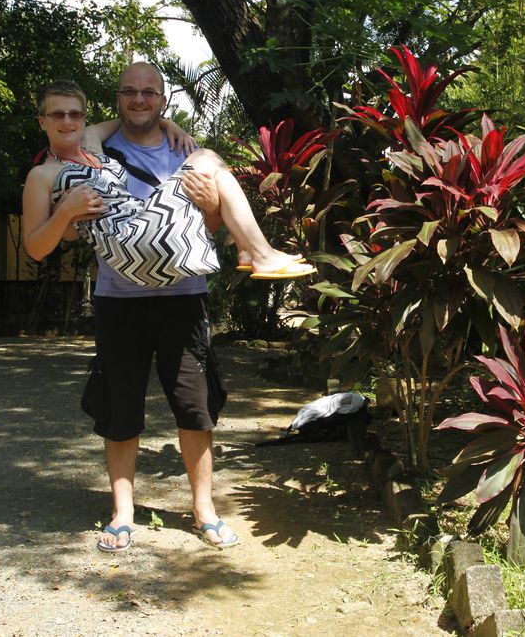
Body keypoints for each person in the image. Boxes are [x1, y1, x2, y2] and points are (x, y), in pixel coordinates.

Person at [22, 69, 310, 553]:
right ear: (43, 121)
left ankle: (204, 510)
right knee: (120, 406)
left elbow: (205, 217)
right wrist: (67, 211)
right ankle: (123, 513)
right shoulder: (48, 173)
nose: (68, 121)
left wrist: (201, 182)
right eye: (57, 115)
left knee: (194, 408)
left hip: (182, 293)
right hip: (121, 297)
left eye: (75, 113)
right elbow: (38, 247)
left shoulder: (118, 141)